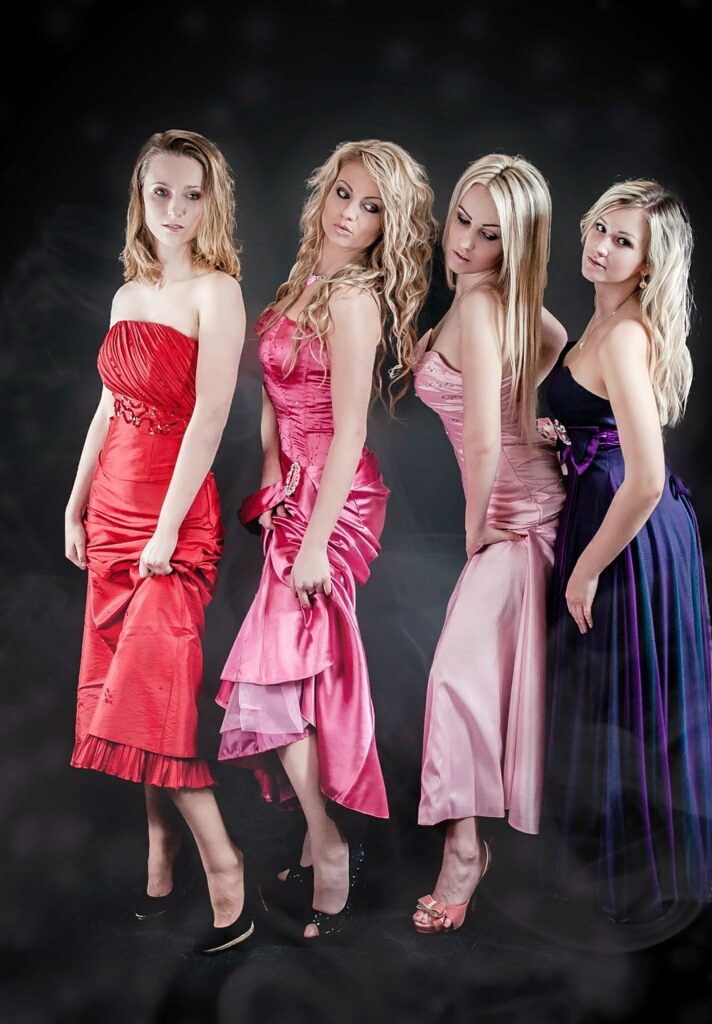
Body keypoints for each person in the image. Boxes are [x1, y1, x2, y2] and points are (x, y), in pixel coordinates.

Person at [216, 139, 436, 939]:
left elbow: (349, 432)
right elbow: (273, 398)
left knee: (275, 673)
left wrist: (312, 539)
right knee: (292, 675)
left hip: (336, 498)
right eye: (345, 193)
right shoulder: (302, 282)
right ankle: (320, 844)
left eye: (371, 207)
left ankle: (332, 843)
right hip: (293, 490)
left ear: (388, 227)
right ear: (325, 192)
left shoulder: (353, 300)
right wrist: (272, 483)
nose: (350, 214)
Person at [66, 129, 253, 954]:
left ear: (213, 202)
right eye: (160, 192)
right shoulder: (127, 294)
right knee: (128, 697)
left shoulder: (218, 291)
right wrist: (75, 506)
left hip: (172, 517)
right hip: (111, 510)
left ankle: (226, 871)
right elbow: (107, 409)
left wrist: (169, 528)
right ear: (140, 199)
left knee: (154, 696)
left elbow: (210, 417)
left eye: (192, 194)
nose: (175, 209)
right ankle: (159, 857)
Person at [542, 179, 712, 923]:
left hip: (629, 529)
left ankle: (646, 875)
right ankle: (619, 864)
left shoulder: (622, 335)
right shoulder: (601, 321)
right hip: (607, 511)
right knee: (619, 694)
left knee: (634, 697)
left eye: (624, 242)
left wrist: (585, 571)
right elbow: (601, 428)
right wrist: (560, 436)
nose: (602, 246)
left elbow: (647, 476)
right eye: (601, 229)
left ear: (648, 264)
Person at [399, 153, 567, 933]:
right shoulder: (488, 300)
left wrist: (475, 524)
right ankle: (466, 842)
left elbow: (481, 438)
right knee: (466, 679)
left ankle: (465, 853)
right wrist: (527, 413)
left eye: (490, 234)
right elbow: (544, 349)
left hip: (516, 516)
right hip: (517, 499)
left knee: (456, 677)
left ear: (517, 244)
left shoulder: (481, 305)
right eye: (462, 220)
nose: (464, 242)